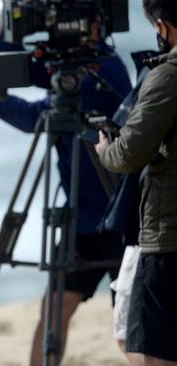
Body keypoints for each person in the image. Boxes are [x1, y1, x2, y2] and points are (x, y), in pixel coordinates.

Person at [0, 19, 132, 366]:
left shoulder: (106, 70)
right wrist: (6, 23)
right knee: (55, 309)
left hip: (120, 217)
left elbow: (36, 116)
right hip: (83, 218)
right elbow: (10, 66)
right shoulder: (68, 66)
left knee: (129, 326)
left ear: (97, 25)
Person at [96, 0, 177, 364]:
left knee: (152, 351)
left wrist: (105, 151)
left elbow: (128, 154)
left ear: (163, 26)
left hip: (168, 239)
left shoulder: (168, 74)